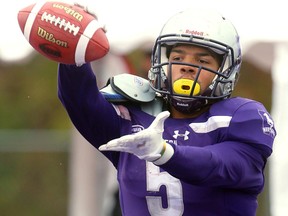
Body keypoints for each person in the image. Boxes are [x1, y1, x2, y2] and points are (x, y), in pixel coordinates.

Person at [57, 7, 276, 216]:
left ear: (225, 70)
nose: (187, 67)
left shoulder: (241, 116)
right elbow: (80, 101)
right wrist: (74, 54)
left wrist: (164, 152)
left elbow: (221, 165)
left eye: (202, 60)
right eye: (178, 58)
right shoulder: (135, 115)